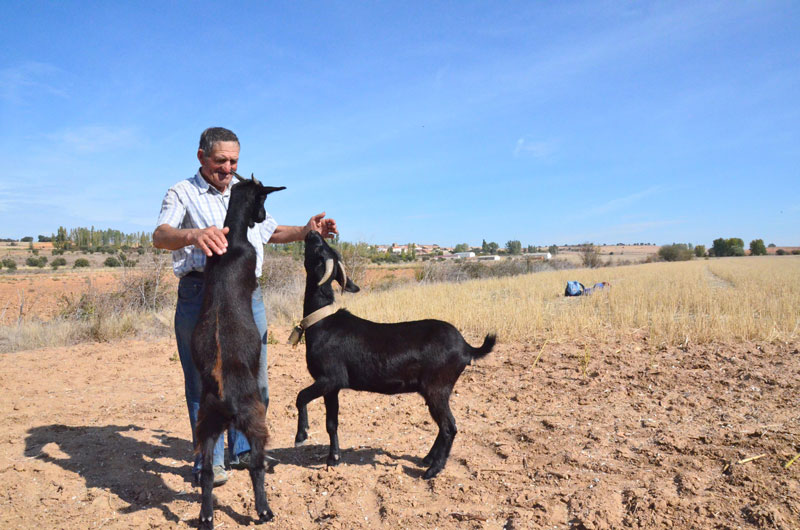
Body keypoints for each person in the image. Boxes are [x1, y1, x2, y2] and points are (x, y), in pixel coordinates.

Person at [153, 127, 337, 486]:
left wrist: (306, 229)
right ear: (201, 157)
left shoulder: (241, 193)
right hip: (200, 297)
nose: (228, 168)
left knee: (256, 381)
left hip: (247, 297)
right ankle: (209, 461)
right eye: (220, 160)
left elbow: (269, 231)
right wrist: (193, 235)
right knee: (203, 383)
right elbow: (160, 235)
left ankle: (243, 451)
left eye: (234, 161)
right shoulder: (182, 192)